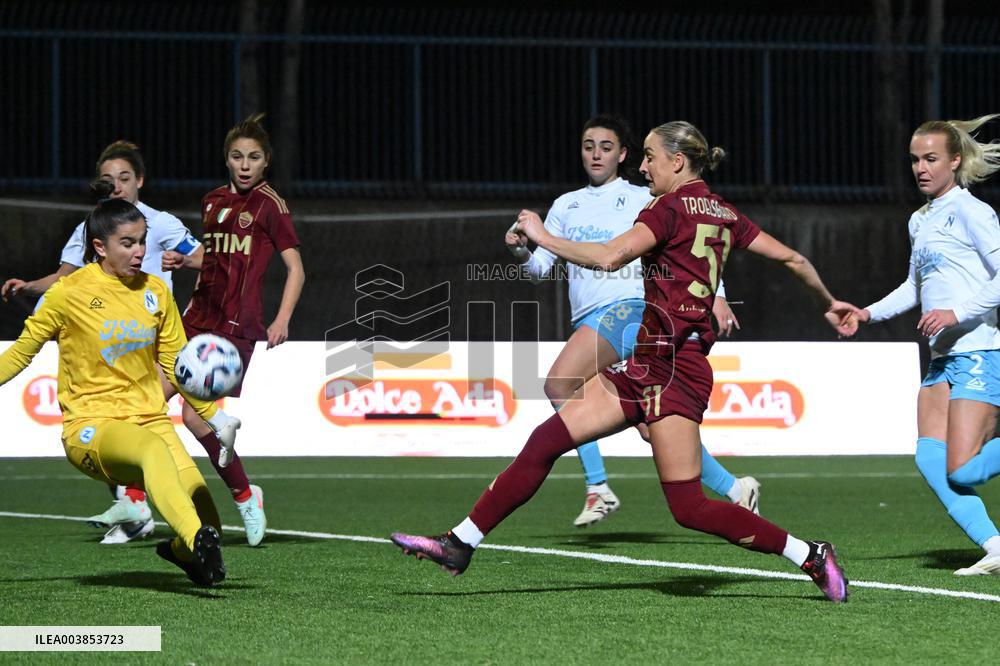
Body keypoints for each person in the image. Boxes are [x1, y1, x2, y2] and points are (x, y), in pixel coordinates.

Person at [392, 120, 852, 602]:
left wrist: (543, 237)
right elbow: (795, 260)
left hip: (676, 367)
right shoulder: (724, 212)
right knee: (546, 440)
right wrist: (828, 300)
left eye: (650, 156)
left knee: (688, 507)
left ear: (677, 161)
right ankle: (459, 544)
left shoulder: (667, 208)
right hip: (648, 363)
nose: (643, 164)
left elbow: (611, 257)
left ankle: (810, 554)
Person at [506, 113, 758, 527]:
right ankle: (734, 488)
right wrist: (519, 249)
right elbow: (539, 270)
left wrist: (719, 295)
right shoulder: (565, 205)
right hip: (591, 318)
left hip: (631, 307)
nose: (596, 154)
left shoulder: (645, 195)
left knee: (559, 383)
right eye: (589, 146)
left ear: (623, 155)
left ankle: (597, 487)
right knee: (647, 421)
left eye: (606, 147)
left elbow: (697, 240)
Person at [0, 196, 238, 586]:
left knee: (206, 512)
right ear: (100, 247)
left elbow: (180, 367)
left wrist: (214, 416)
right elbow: (19, 355)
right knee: (154, 455)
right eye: (127, 243)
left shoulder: (157, 293)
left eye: (143, 241)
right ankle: (194, 541)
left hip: (150, 419)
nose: (139, 252)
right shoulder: (67, 294)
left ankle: (184, 553)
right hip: (91, 428)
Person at [1, 141, 205, 545]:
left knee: (165, 434)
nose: (117, 186)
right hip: (111, 355)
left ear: (139, 181)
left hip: (151, 344)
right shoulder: (89, 230)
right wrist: (30, 287)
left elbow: (204, 256)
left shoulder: (160, 224)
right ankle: (147, 508)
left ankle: (185, 507)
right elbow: (65, 278)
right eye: (108, 180)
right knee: (139, 434)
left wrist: (184, 264)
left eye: (125, 178)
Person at [841, 115, 1000, 576]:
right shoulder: (920, 220)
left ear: (955, 160)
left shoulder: (973, 211)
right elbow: (914, 285)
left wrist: (957, 313)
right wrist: (868, 312)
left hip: (978, 350)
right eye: (915, 159)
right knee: (929, 457)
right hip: (942, 357)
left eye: (931, 158)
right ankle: (993, 545)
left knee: (964, 470)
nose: (921, 168)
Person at [160, 112, 305, 546]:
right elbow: (217, 255)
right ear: (227, 159)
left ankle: (245, 497)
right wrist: (185, 260)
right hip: (194, 317)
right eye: (238, 156)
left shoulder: (270, 206)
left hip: (235, 327)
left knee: (189, 415)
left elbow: (296, 269)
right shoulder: (212, 201)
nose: (245, 164)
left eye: (254, 157)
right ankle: (134, 499)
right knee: (146, 401)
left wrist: (281, 319)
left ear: (266, 163)